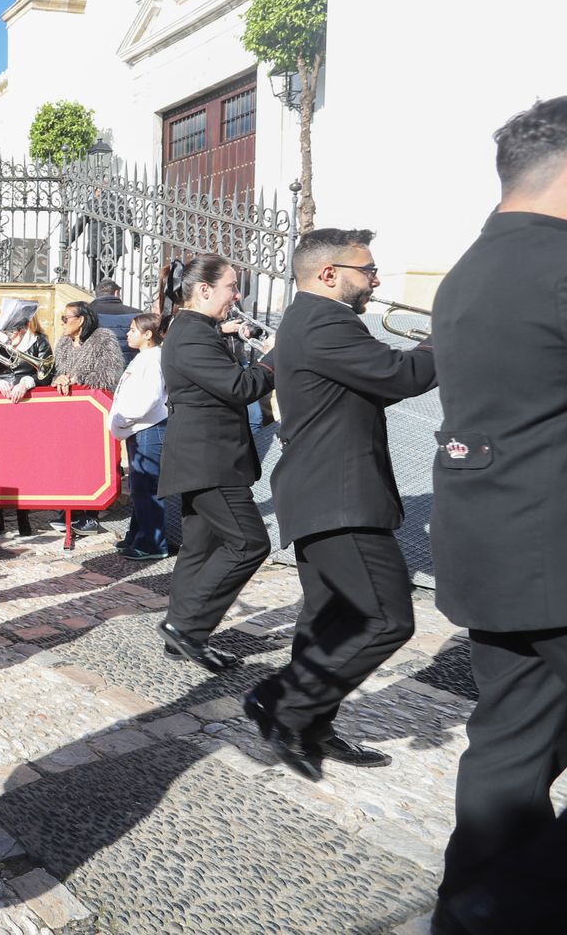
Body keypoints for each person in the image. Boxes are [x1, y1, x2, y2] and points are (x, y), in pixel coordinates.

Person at [429, 98, 567, 935]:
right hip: (557, 551)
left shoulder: (468, 267)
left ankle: (475, 917)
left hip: (495, 552)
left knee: (509, 755)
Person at [238, 228, 437, 781]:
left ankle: (311, 726)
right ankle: (283, 703)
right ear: (329, 275)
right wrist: (450, 335)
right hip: (339, 496)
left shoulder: (303, 320)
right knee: (386, 619)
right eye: (367, 269)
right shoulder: (326, 320)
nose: (375, 280)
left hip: (322, 492)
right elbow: (404, 374)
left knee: (329, 620)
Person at [156, 254, 275, 672]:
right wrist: (273, 359)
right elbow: (240, 386)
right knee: (249, 543)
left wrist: (228, 334)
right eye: (231, 286)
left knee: (200, 548)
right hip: (210, 460)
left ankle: (180, 632)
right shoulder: (191, 333)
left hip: (206, 457)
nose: (237, 295)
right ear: (204, 290)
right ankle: (186, 628)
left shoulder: (195, 329)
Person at [50, 300, 126, 535]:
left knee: (92, 461)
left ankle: (89, 516)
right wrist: (60, 379)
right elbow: (55, 373)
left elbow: (110, 374)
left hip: (93, 413)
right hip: (68, 413)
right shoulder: (63, 343)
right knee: (68, 461)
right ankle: (69, 509)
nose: (62, 323)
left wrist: (76, 377)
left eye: (66, 318)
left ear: (81, 319)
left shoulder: (104, 338)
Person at [108, 313, 171, 560]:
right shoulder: (144, 357)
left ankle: (154, 543)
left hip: (149, 428)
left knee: (148, 488)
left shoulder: (154, 358)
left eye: (133, 330)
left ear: (147, 335)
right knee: (139, 487)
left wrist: (124, 419)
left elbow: (150, 398)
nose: (127, 334)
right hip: (140, 429)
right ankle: (138, 535)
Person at [0, 312, 53, 537]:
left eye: (16, 330)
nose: (12, 334)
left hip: (27, 407)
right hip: (0, 409)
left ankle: (23, 516)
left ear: (25, 327)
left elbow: (46, 371)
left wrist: (26, 382)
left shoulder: (39, 342)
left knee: (22, 462)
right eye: (10, 330)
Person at [93, 278, 142, 364]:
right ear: (116, 293)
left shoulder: (85, 313)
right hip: (128, 366)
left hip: (96, 367)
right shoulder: (137, 313)